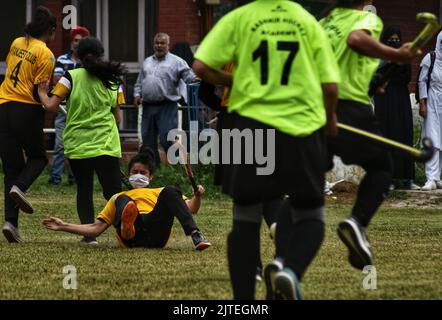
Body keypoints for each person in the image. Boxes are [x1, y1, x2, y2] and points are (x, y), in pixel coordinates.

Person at [193, 0, 340, 300]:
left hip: (247, 125)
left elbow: (201, 67)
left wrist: (231, 79)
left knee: (244, 216)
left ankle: (244, 303)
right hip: (299, 127)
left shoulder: (239, 18)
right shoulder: (306, 20)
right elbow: (329, 86)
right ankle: (288, 270)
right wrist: (331, 121)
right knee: (310, 213)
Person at [320, 0, 419, 270]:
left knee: (310, 186)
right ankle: (357, 222)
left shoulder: (323, 23)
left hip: (314, 109)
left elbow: (342, 60)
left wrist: (374, 80)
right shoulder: (367, 20)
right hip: (347, 106)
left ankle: (284, 259)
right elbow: (355, 40)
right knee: (381, 167)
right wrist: (395, 54)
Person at [38, 37, 126, 245]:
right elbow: (118, 118)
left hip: (78, 145)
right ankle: (125, 231)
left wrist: (42, 92)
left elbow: (51, 106)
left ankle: (90, 236)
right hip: (106, 144)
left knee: (84, 189)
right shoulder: (113, 79)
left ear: (78, 55)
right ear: (101, 53)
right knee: (113, 193)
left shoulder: (71, 76)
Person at [42, 146, 211, 250]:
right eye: (134, 172)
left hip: (157, 233)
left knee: (171, 190)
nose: (138, 175)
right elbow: (96, 229)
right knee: (122, 200)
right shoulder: (119, 197)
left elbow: (191, 209)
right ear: (128, 174)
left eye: (143, 173)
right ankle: (128, 226)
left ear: (150, 177)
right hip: (131, 238)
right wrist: (64, 226)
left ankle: (196, 235)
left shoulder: (159, 192)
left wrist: (197, 196)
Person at [0, 6, 57, 243]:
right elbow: (38, 90)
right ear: (52, 31)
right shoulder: (47, 54)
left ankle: (11, 224)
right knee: (38, 158)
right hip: (25, 109)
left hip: (2, 106)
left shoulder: (16, 42)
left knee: (11, 169)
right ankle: (21, 187)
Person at [133, 33, 198, 168]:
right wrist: (137, 94)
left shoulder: (176, 61)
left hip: (167, 105)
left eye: (162, 43)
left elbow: (188, 75)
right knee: (147, 141)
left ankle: (177, 168)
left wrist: (195, 79)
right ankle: (153, 169)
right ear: (153, 44)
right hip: (148, 106)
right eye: (157, 43)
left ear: (168, 45)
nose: (159, 46)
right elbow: (139, 82)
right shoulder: (147, 62)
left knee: (167, 138)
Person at [374, 26, 420, 191]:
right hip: (384, 99)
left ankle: (408, 178)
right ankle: (390, 178)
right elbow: (377, 76)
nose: (394, 43)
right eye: (390, 40)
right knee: (388, 135)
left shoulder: (404, 57)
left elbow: (406, 77)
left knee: (404, 134)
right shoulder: (379, 57)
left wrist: (392, 73)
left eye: (396, 40)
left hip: (400, 98)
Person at [48, 26, 91, 186]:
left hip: (80, 110)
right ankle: (55, 179)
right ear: (71, 42)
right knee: (60, 144)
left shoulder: (88, 62)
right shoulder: (61, 59)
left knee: (78, 146)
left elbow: (64, 81)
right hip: (63, 108)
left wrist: (66, 82)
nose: (77, 44)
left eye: (81, 41)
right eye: (75, 40)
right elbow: (55, 80)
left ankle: (74, 179)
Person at [419, 31, 442, 191]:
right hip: (433, 101)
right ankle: (430, 178)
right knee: (432, 139)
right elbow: (422, 80)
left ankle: (437, 177)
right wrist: (422, 103)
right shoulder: (431, 58)